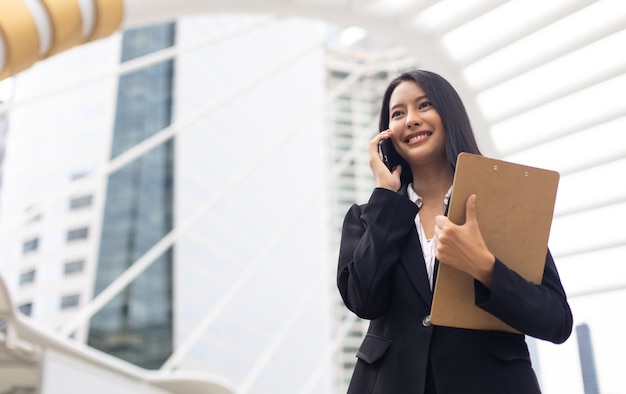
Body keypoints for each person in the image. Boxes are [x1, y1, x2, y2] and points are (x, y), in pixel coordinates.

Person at [336, 69, 573, 394]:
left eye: (424, 105)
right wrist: (387, 200)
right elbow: (363, 301)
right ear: (387, 132)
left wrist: (484, 268)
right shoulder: (368, 217)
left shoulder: (504, 206)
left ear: (449, 114)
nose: (411, 119)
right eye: (398, 113)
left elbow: (556, 320)